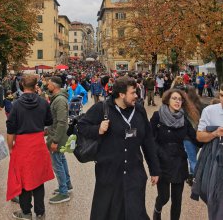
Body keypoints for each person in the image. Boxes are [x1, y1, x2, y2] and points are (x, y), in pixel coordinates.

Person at [78, 77, 160, 220]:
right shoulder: (102, 108)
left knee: (134, 210)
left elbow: (148, 141)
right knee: (109, 212)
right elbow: (82, 126)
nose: (137, 96)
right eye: (133, 93)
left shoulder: (139, 111)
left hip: (134, 172)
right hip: (109, 173)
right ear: (121, 94)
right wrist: (98, 129)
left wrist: (154, 170)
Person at [6, 74, 54, 219]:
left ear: (22, 86)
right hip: (38, 143)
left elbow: (11, 130)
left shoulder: (16, 104)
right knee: (38, 179)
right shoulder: (43, 102)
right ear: (35, 86)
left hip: (22, 144)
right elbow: (49, 121)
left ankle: (26, 212)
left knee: (22, 179)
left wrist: (10, 147)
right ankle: (40, 212)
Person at [150, 88, 198, 220]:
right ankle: (157, 209)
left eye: (180, 99)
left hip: (179, 162)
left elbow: (196, 139)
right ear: (167, 100)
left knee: (177, 201)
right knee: (164, 197)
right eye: (174, 98)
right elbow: (149, 140)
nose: (177, 101)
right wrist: (158, 155)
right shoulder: (157, 116)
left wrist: (211, 134)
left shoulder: (184, 119)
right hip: (162, 162)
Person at [194, 84, 223, 219]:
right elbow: (199, 136)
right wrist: (215, 133)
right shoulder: (210, 111)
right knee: (214, 199)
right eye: (222, 95)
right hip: (215, 161)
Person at [47, 76, 73, 204]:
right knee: (61, 160)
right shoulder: (58, 99)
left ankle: (64, 192)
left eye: (49, 84)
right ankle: (67, 185)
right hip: (58, 134)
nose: (47, 86)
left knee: (57, 163)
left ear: (54, 85)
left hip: (58, 136)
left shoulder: (60, 100)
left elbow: (62, 122)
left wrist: (55, 140)